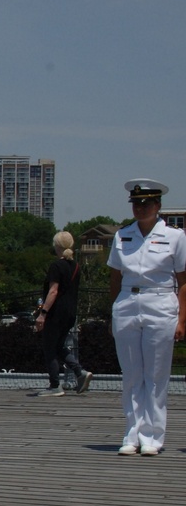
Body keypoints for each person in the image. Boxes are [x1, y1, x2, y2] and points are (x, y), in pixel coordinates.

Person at [108, 179, 186, 456]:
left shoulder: (175, 236)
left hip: (160, 302)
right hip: (128, 302)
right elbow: (115, 277)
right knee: (131, 374)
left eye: (146, 203)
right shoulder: (122, 235)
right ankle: (132, 434)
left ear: (158, 205)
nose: (140, 208)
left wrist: (182, 319)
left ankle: (152, 436)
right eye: (136, 203)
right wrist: (114, 311)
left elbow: (183, 280)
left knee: (156, 374)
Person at [33, 231, 92, 397]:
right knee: (59, 346)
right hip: (70, 313)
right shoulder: (76, 266)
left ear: (56, 246)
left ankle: (55, 386)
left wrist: (43, 313)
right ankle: (80, 372)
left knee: (49, 348)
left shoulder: (56, 266)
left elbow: (53, 291)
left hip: (56, 313)